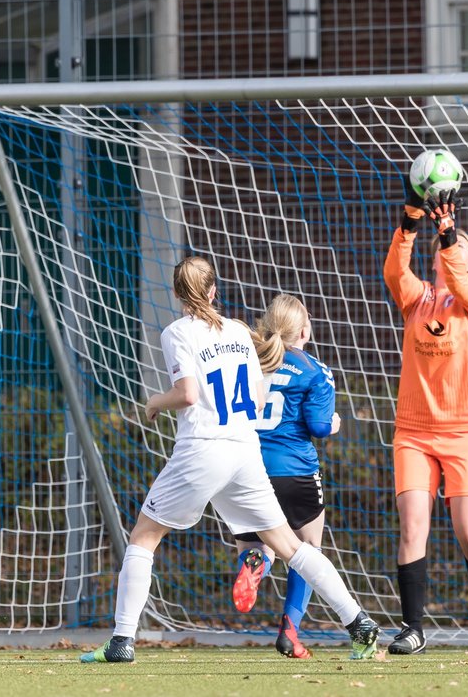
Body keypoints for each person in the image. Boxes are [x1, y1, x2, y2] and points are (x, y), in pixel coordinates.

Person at [80, 257, 380, 664]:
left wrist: (155, 402)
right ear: (213, 291)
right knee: (292, 546)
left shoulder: (177, 332)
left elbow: (186, 394)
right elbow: (256, 398)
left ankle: (121, 641)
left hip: (203, 447)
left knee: (144, 538)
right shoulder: (240, 330)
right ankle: (358, 622)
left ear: (177, 293)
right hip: (244, 448)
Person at [381, 178, 468, 655]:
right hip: (414, 432)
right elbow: (396, 271)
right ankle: (412, 628)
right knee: (413, 526)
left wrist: (453, 234)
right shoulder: (416, 300)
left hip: (465, 433)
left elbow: (460, 278)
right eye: (447, 252)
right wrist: (410, 222)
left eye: (460, 255)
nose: (451, 258)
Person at [230, 294, 341, 659]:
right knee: (307, 550)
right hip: (295, 472)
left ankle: (257, 563)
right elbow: (320, 426)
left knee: (257, 544)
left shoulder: (247, 363)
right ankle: (290, 632)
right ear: (305, 330)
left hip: (247, 469)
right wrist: (335, 423)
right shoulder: (314, 370)